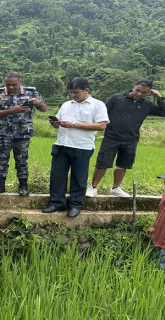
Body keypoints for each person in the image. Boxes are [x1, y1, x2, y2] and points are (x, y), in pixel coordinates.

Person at [86, 80, 165, 197]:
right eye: (137, 90)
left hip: (131, 138)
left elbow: (163, 112)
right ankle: (93, 187)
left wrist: (159, 96)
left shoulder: (147, 104)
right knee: (103, 162)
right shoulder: (116, 98)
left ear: (148, 93)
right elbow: (102, 111)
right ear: (133, 87)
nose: (139, 94)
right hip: (111, 136)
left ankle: (115, 188)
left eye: (144, 92)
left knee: (123, 164)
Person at [42, 78, 109, 217]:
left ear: (87, 91)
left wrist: (74, 124)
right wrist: (55, 123)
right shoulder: (66, 104)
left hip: (82, 146)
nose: (73, 95)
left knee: (79, 177)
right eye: (71, 92)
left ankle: (75, 205)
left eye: (76, 93)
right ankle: (56, 203)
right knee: (57, 176)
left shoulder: (97, 105)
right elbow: (59, 123)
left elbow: (101, 126)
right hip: (61, 144)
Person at [0, 71, 47, 196]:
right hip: (3, 133)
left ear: (20, 82)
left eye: (14, 84)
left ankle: (23, 187)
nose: (11, 87)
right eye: (8, 84)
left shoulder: (31, 92)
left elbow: (43, 108)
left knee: (22, 160)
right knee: (1, 160)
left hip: (23, 132)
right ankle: (0, 186)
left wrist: (37, 103)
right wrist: (11, 111)